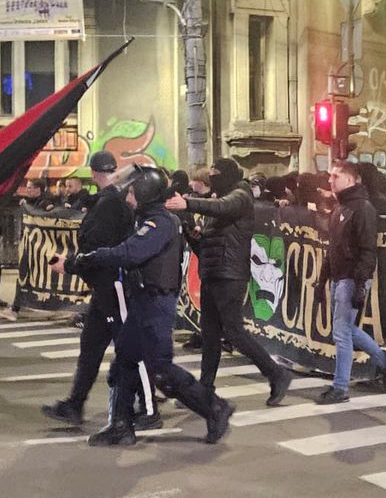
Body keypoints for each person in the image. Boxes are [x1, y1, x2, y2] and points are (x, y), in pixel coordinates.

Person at [56, 167, 235, 446]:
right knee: (124, 363)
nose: (128, 196)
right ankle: (121, 426)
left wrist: (83, 259)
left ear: (144, 194)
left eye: (132, 191)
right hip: (144, 300)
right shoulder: (149, 218)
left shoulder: (160, 222)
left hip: (156, 304)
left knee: (161, 369)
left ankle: (214, 407)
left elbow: (130, 253)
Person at [165, 157, 292, 406]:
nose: (211, 178)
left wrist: (188, 203)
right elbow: (209, 243)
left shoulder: (240, 195)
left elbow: (223, 208)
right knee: (210, 334)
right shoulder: (221, 199)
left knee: (234, 332)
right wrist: (194, 234)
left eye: (215, 173)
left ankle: (276, 373)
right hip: (213, 272)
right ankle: (205, 389)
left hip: (230, 275)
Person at [41, 151, 142, 426]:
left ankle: (151, 401)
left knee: (129, 348)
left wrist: (71, 265)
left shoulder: (111, 205)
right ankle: (75, 404)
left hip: (113, 285)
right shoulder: (109, 201)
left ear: (94, 172)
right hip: (105, 286)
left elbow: (99, 248)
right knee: (91, 346)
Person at [318, 160, 386, 404]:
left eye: (335, 176)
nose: (330, 180)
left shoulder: (363, 209)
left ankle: (340, 387)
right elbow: (333, 249)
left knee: (342, 333)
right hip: (340, 278)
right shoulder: (340, 208)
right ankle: (385, 362)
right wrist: (322, 281)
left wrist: (361, 284)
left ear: (350, 180)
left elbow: (367, 250)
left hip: (352, 279)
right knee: (346, 329)